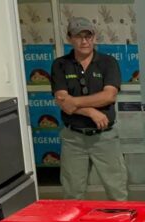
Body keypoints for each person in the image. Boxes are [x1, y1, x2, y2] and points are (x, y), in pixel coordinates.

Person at [50, 17, 127, 201]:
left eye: (88, 36)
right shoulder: (60, 64)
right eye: (78, 36)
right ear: (69, 38)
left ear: (94, 37)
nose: (84, 41)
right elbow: (62, 100)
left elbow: (109, 96)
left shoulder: (108, 62)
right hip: (73, 139)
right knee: (72, 194)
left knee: (117, 191)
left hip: (105, 136)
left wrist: (74, 102)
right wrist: (91, 111)